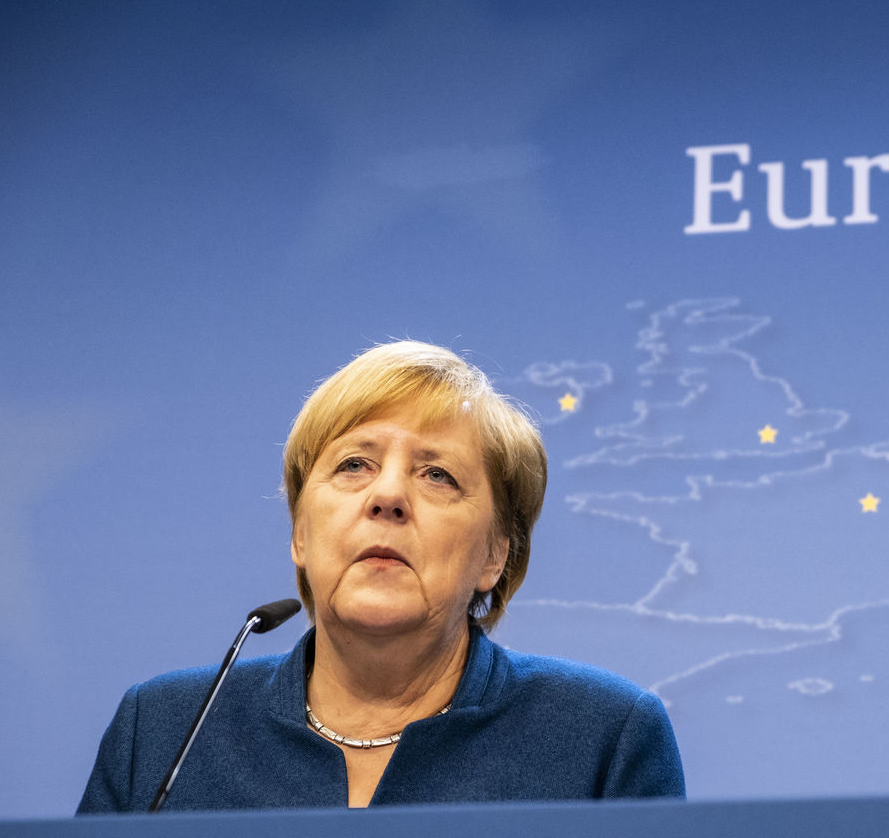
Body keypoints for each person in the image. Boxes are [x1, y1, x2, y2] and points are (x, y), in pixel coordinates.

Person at [77, 341, 684, 811]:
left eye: (438, 475)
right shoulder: (162, 732)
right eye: (354, 465)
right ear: (300, 534)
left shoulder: (604, 738)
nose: (388, 495)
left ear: (494, 557)